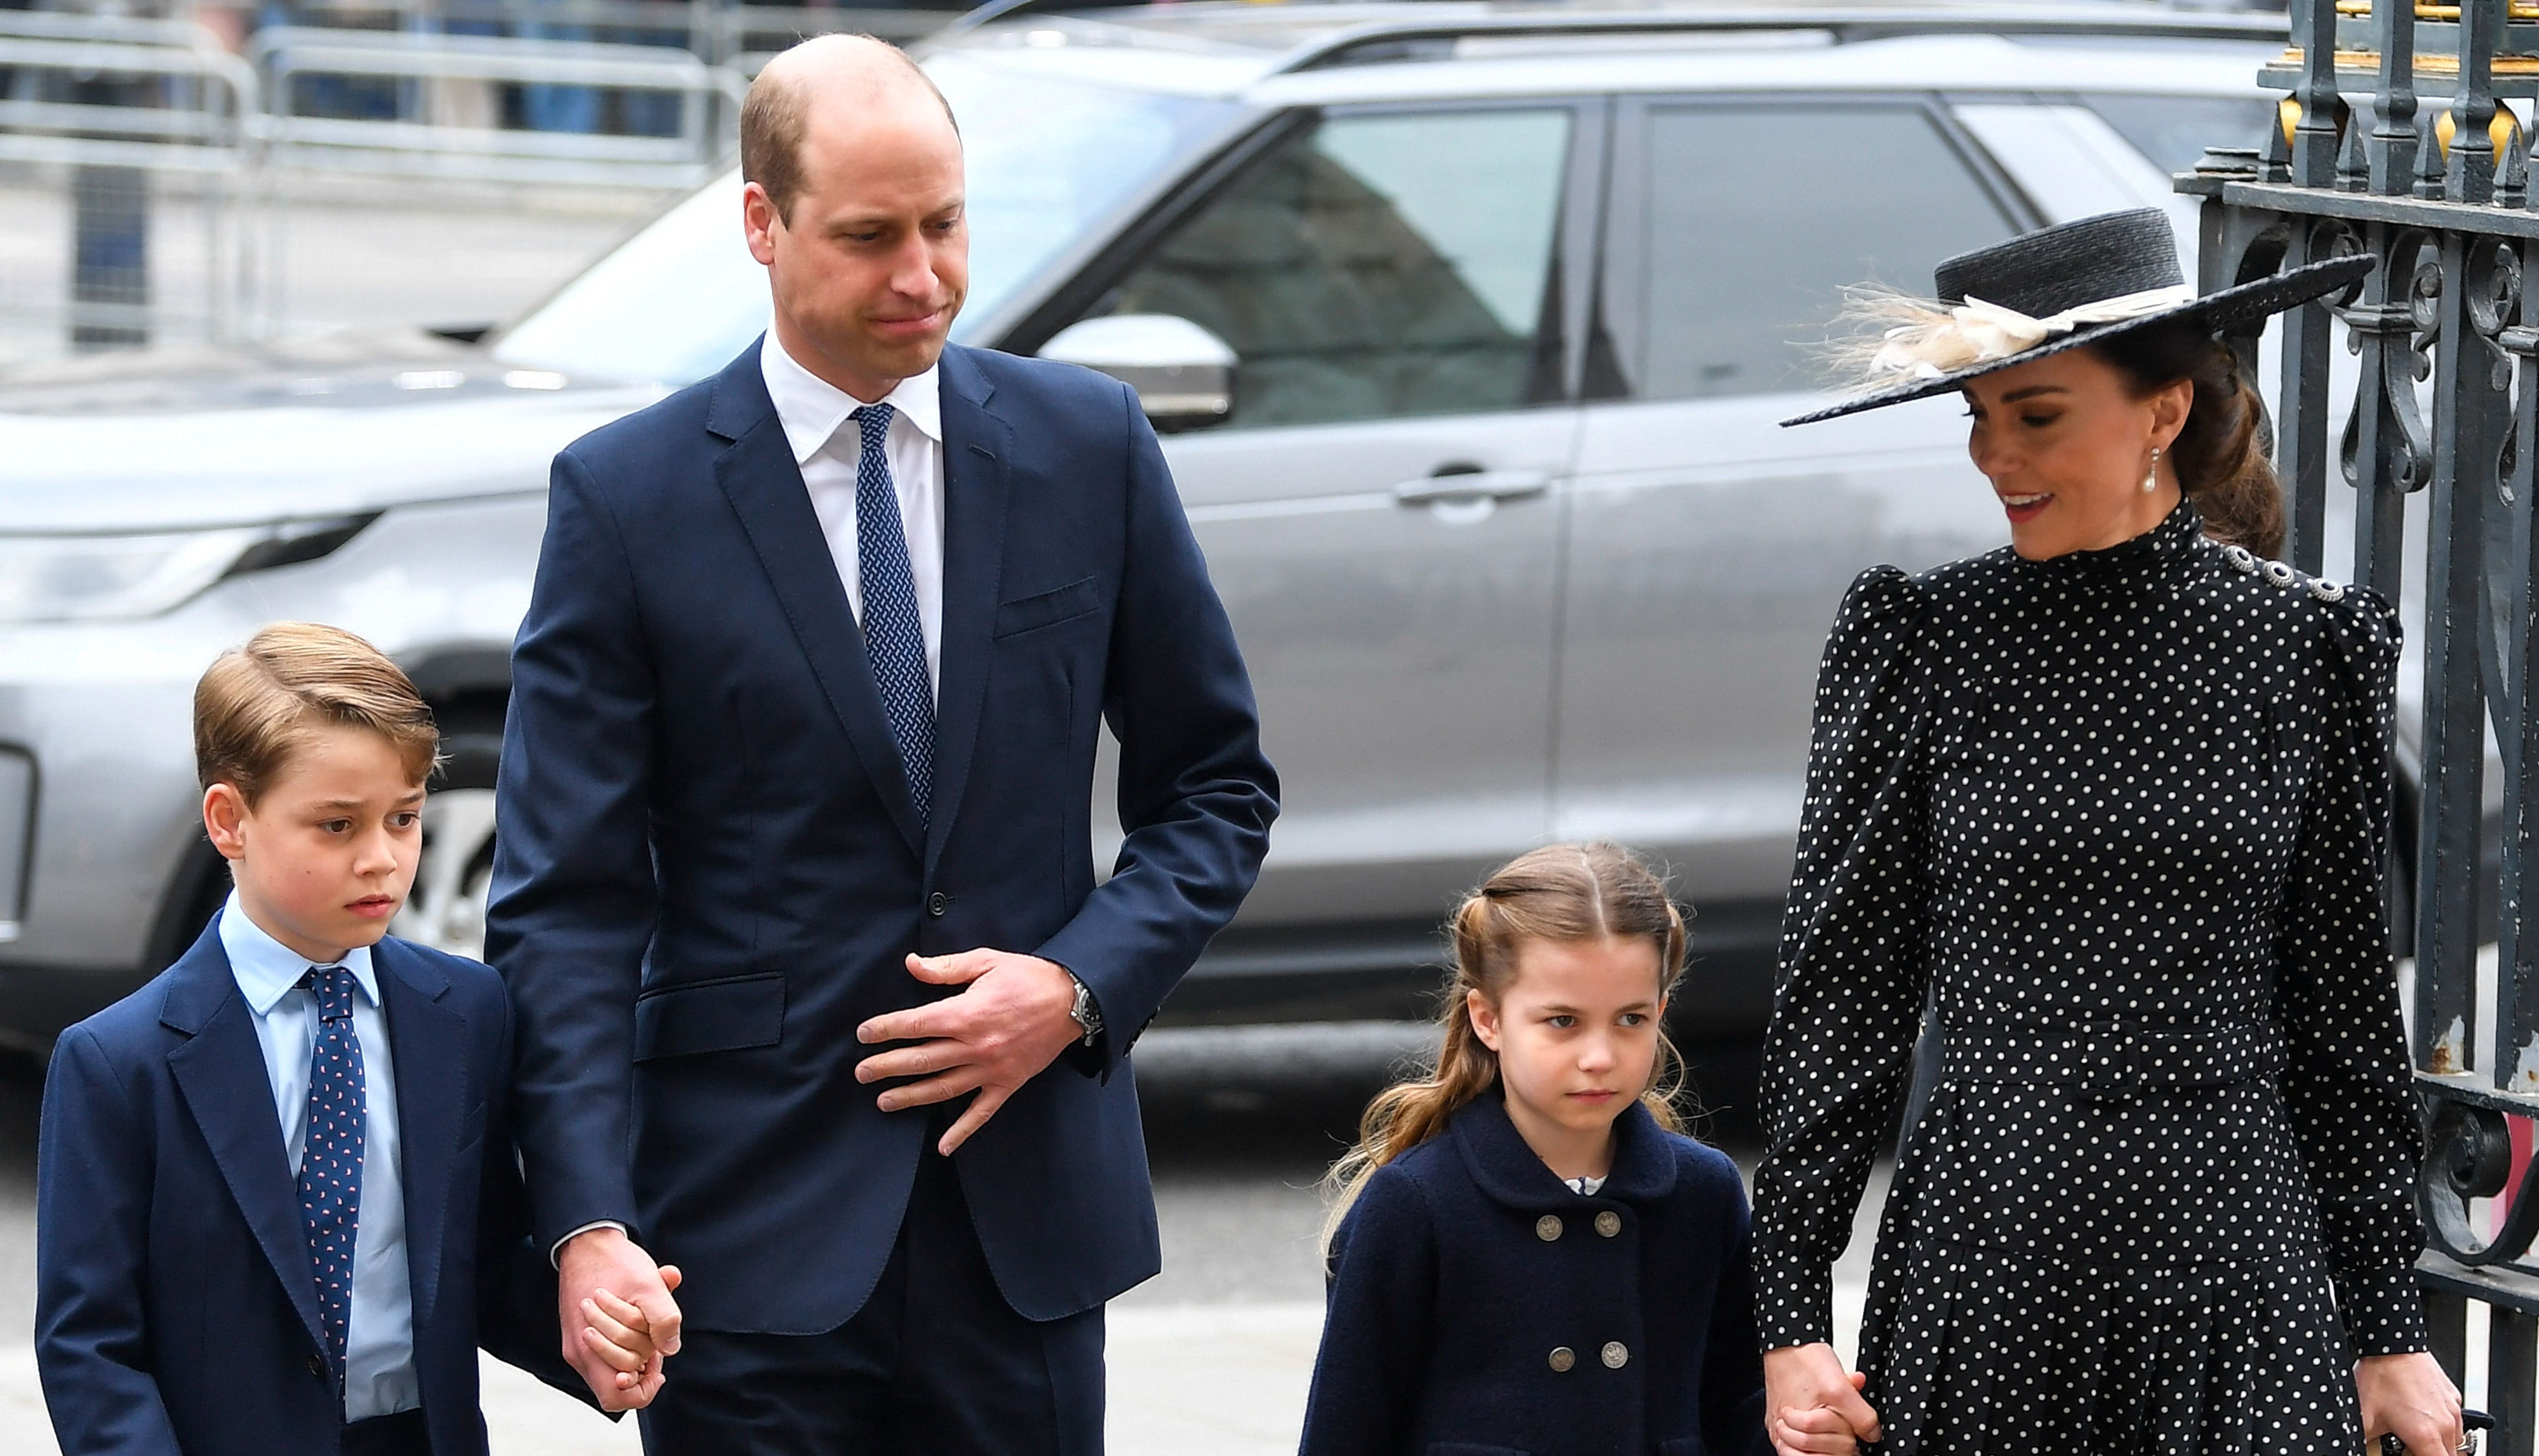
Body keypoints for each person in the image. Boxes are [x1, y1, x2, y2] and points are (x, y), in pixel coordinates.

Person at [483, 31, 1279, 1451]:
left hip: (1021, 1229)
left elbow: (1213, 789)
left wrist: (1076, 987)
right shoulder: (625, 499)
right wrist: (585, 1223)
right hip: (736, 1239)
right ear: (759, 224)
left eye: (946, 224)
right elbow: (567, 905)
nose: (922, 276)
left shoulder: (1086, 445)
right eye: (868, 237)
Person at [1753, 207, 2463, 1456]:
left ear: (2161, 412)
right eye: (1977, 417)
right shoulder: (1921, 639)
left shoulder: (2306, 648)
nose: (1992, 455)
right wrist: (1792, 1314)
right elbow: (1844, 992)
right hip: (1991, 1256)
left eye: (2035, 416)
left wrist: (2386, 1330)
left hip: (2235, 1261)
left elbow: (2342, 1010)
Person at [33, 623, 629, 1456]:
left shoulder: (466, 1010)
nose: (384, 860)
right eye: (338, 826)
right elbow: (90, 1347)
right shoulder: (116, 1062)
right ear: (229, 819)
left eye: (405, 817)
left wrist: (600, 1332)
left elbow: (481, 1259)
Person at [1298, 842, 1767, 1456]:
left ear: (1661, 1011)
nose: (1600, 1056)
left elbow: (1743, 1405)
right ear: (1488, 1019)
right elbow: (1346, 1428)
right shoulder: (1416, 1201)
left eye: (1630, 1019)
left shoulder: (1704, 1191)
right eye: (1562, 1021)